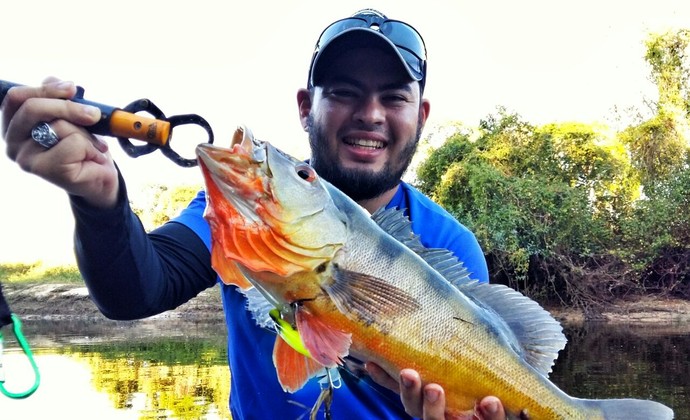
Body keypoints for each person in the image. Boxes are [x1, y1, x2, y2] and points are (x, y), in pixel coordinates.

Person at [1, 8, 509, 420]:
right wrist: (99, 198)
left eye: (393, 97)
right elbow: (137, 290)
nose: (370, 114)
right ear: (306, 107)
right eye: (345, 92)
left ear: (420, 115)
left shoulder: (451, 245)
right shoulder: (245, 214)